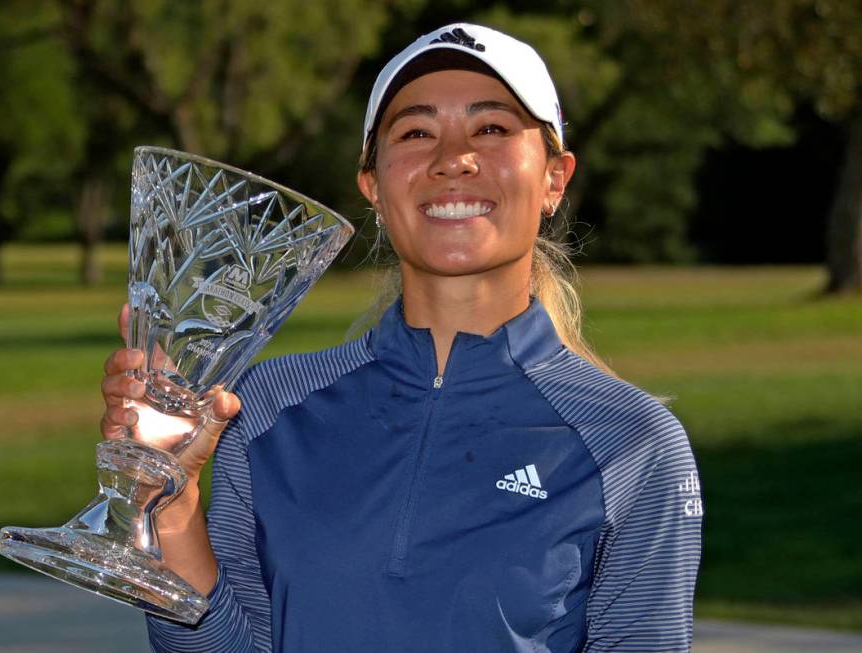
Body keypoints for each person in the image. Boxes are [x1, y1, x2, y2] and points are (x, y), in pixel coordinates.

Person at [100, 23, 703, 653]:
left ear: (555, 178)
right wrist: (168, 502)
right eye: (416, 132)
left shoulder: (632, 441)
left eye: (491, 128)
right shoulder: (269, 405)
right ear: (374, 189)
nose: (452, 158)